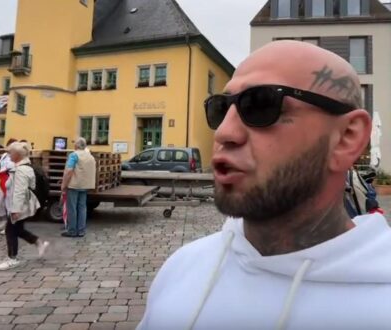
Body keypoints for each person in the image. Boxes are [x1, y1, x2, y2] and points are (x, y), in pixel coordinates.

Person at [139, 41, 383, 328]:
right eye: (220, 108)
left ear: (346, 138)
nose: (223, 133)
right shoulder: (181, 268)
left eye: (260, 104)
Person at [0, 142, 49, 270]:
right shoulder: (22, 167)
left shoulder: (21, 170)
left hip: (20, 206)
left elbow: (19, 191)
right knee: (17, 229)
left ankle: (12, 259)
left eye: (10, 153)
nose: (9, 155)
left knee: (10, 230)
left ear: (17, 154)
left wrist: (15, 209)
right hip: (20, 205)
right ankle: (38, 242)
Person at [61, 137, 96, 238]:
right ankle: (81, 230)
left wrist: (64, 184)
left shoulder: (74, 155)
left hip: (74, 185)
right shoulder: (90, 156)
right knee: (82, 208)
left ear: (76, 145)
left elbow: (69, 171)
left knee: (72, 208)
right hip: (85, 185)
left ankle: (72, 230)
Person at [0, 138, 18, 235]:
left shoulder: (16, 157)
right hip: (0, 181)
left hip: (11, 182)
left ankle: (9, 226)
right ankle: (3, 219)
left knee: (9, 205)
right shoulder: (4, 155)